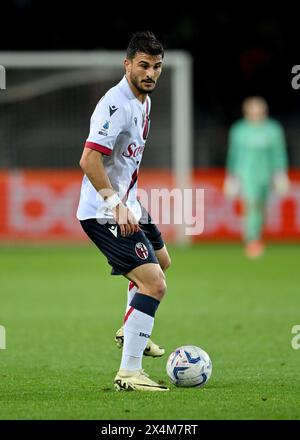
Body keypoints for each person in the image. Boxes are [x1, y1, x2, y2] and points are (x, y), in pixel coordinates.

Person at [76, 31, 171, 391]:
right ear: (127, 63)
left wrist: (127, 202)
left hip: (129, 203)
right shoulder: (115, 105)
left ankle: (132, 329)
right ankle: (129, 372)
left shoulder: (143, 100)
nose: (150, 73)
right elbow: (88, 159)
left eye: (157, 67)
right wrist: (115, 204)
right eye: (144, 65)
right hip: (103, 211)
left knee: (162, 262)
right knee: (154, 284)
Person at [223, 96, 290, 258]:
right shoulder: (239, 130)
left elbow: (278, 152)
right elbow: (234, 154)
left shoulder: (273, 129)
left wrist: (281, 174)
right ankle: (252, 240)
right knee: (251, 204)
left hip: (266, 172)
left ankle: (257, 236)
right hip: (246, 172)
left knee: (261, 206)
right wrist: (231, 176)